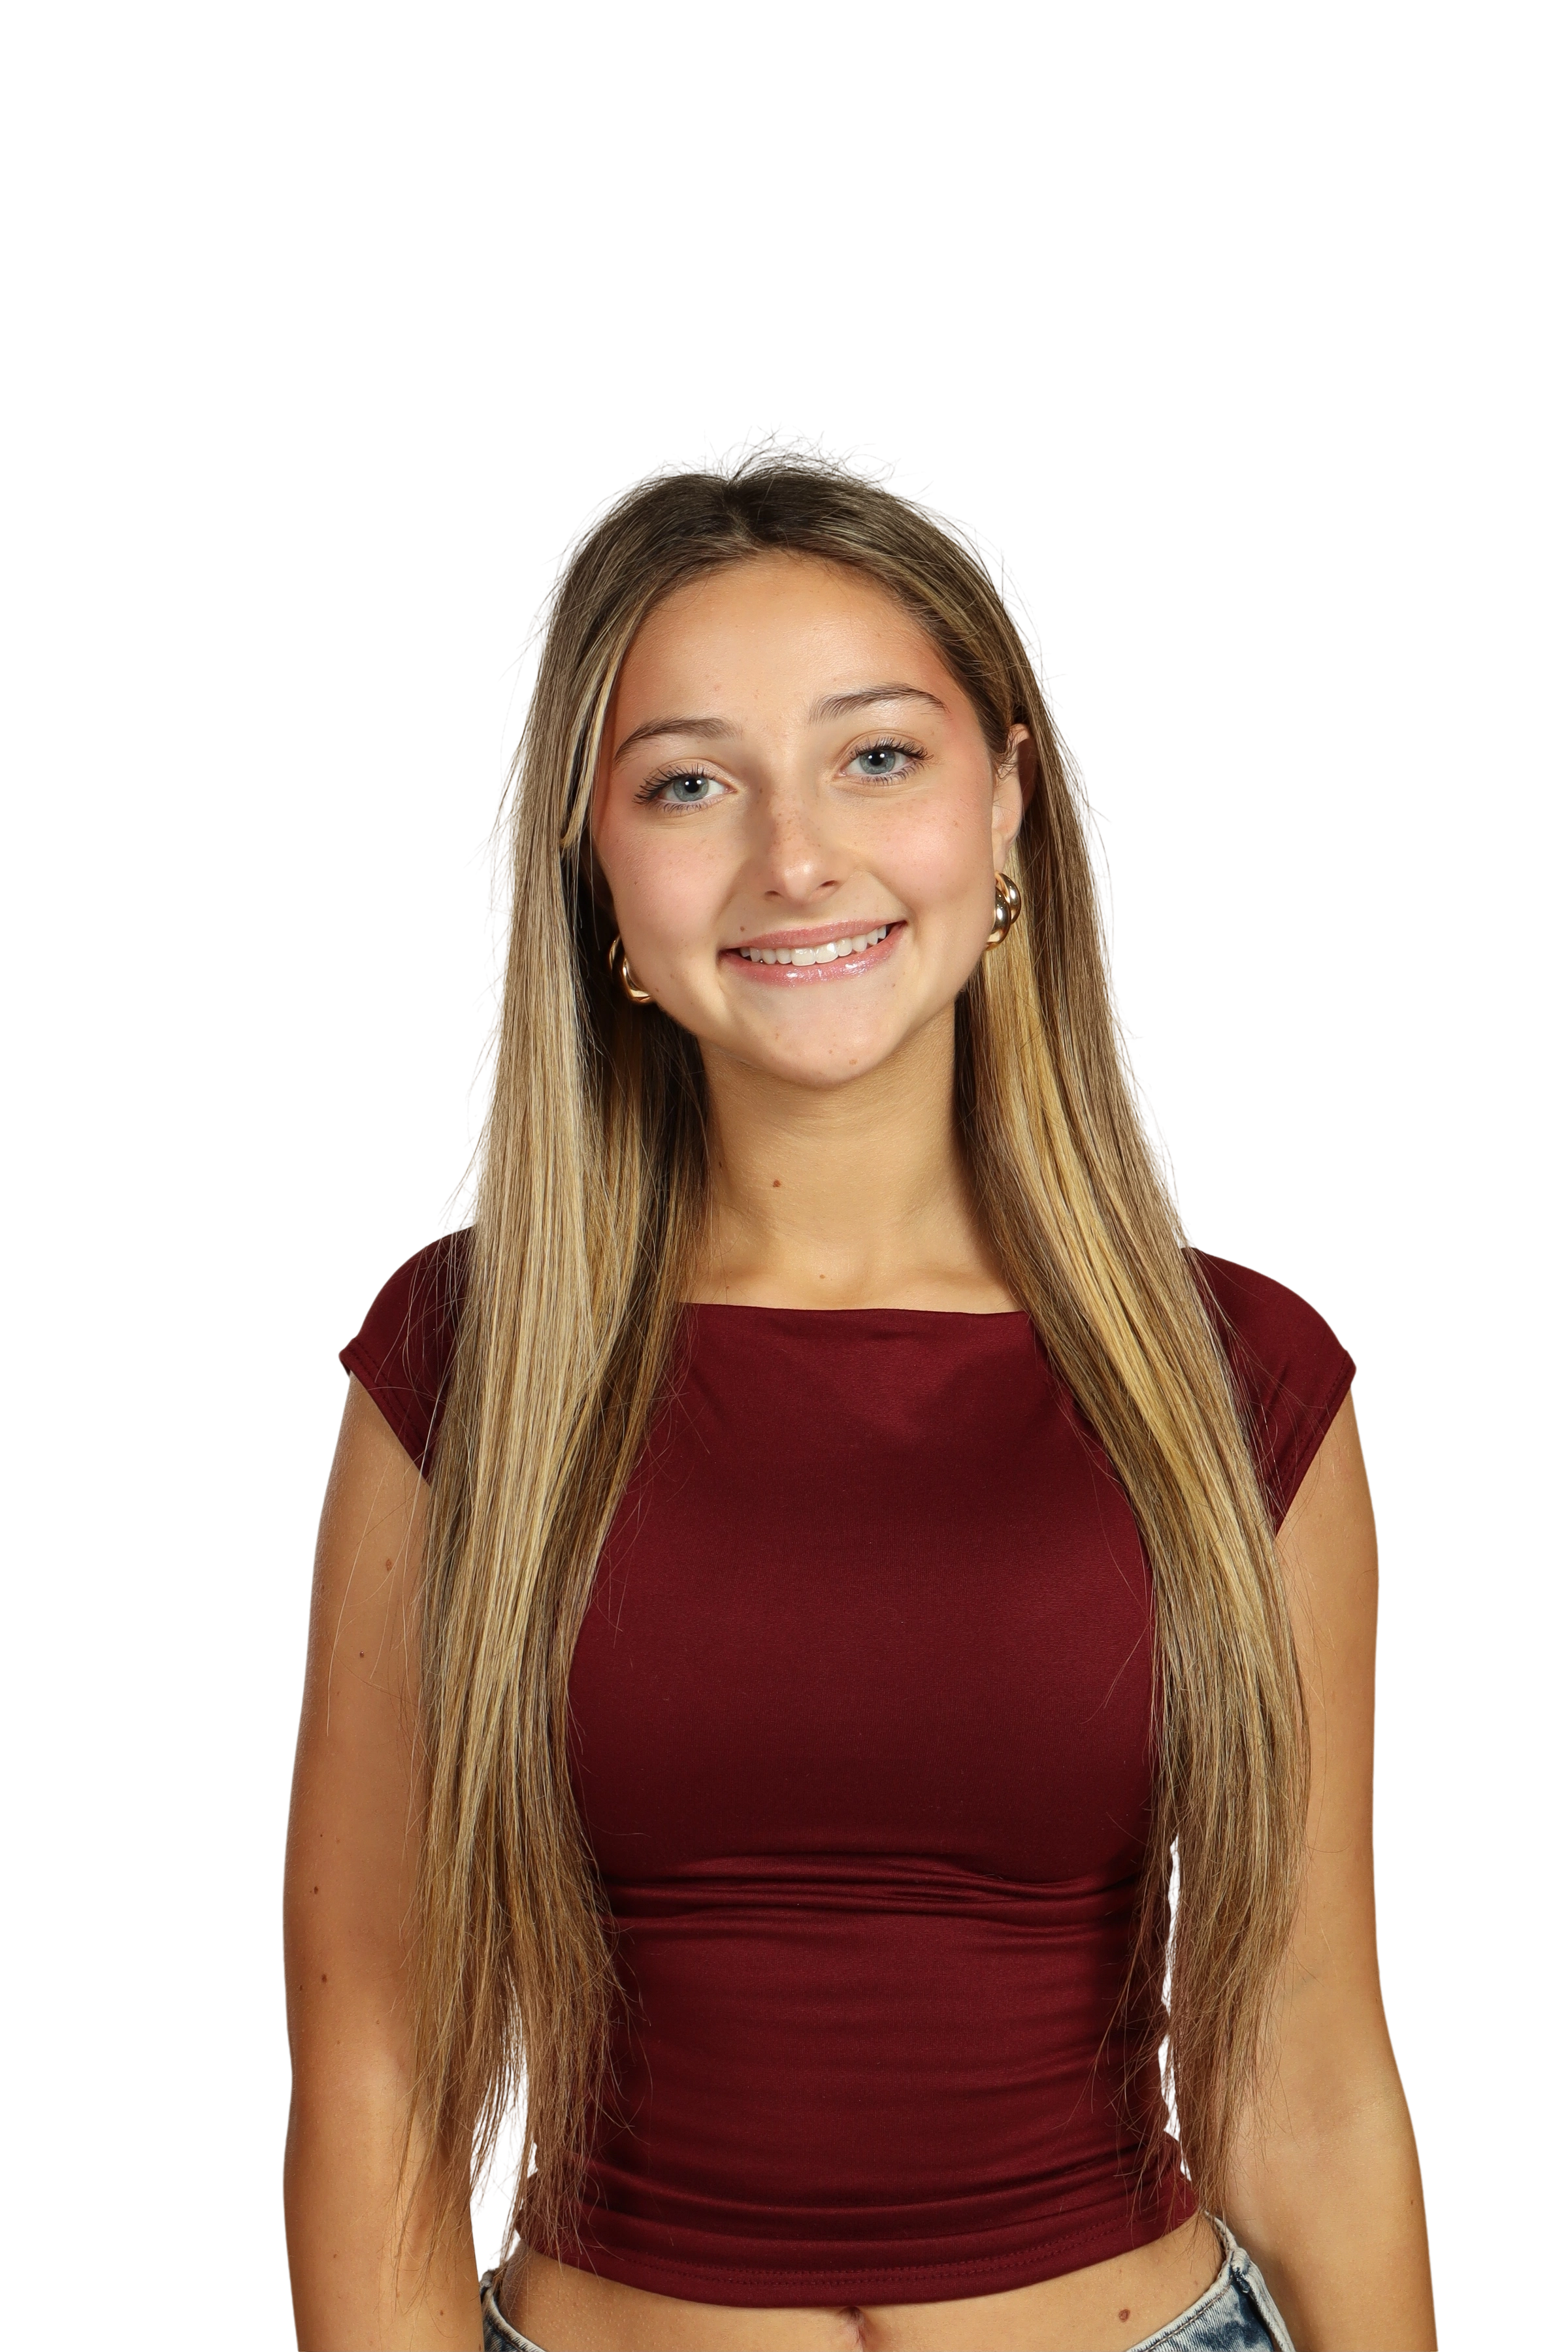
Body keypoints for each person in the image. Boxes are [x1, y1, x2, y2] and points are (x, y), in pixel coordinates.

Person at [280, 423, 1439, 2352]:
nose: (795, 855)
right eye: (688, 783)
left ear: (1010, 806)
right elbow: (380, 2069)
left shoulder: (1246, 1383)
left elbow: (1306, 2058)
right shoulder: (457, 1368)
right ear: (593, 875)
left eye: (877, 756)